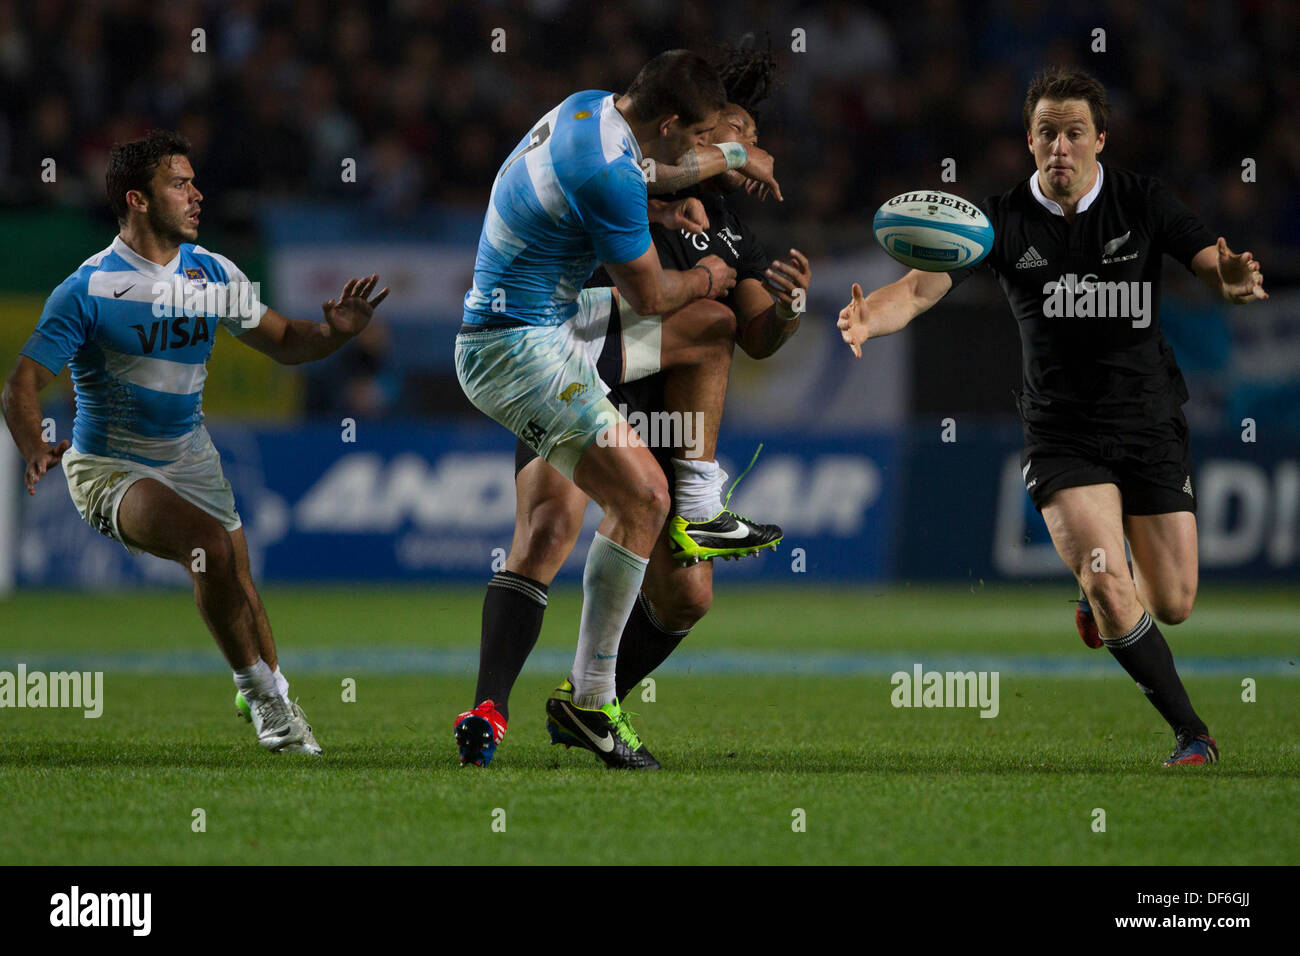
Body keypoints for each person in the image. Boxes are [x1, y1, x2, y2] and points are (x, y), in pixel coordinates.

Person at [836, 67, 1267, 767]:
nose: (1059, 147)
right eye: (1046, 133)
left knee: (1177, 601)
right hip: (1062, 431)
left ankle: (1106, 591)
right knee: (1106, 577)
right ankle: (1194, 733)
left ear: (1100, 138)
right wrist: (867, 318)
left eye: (1073, 133)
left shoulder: (1142, 201)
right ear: (1029, 141)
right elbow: (915, 291)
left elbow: (1208, 260)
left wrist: (1231, 277)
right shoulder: (998, 220)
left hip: (1149, 419)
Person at [456, 47, 807, 768]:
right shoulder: (610, 175)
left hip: (545, 333)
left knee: (637, 533)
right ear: (673, 120)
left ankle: (523, 704)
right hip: (524, 346)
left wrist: (712, 170)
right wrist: (710, 272)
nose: (707, 148)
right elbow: (649, 296)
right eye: (704, 133)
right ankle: (590, 701)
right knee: (639, 499)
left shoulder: (592, 107)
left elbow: (655, 172)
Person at [1, 130, 390, 754]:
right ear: (138, 200)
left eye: (193, 181)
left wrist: (335, 333)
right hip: (109, 468)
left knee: (238, 576)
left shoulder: (214, 271)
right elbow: (21, 385)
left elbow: (286, 341)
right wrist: (34, 443)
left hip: (190, 456)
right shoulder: (89, 288)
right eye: (179, 183)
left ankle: (271, 693)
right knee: (207, 547)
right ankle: (263, 698)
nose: (196, 194)